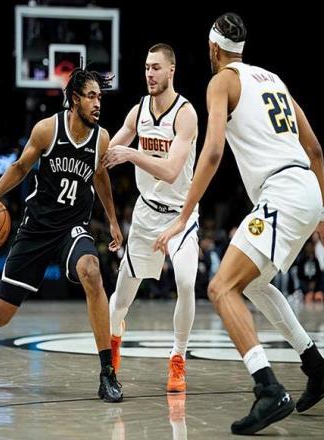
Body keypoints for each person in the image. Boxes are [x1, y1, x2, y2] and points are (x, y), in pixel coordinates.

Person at [154, 13, 324, 434]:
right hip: (306, 190)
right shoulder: (274, 80)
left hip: (282, 193)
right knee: (254, 284)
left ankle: (268, 388)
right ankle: (317, 367)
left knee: (220, 287)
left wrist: (184, 215)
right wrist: (323, 214)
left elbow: (213, 152)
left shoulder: (221, 82)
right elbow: (315, 149)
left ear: (213, 48)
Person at [0, 67, 124, 403]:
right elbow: (20, 167)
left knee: (92, 271)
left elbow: (100, 177)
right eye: (91, 96)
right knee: (1, 314)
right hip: (36, 229)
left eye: (100, 97)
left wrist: (113, 220)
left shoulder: (101, 138)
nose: (97, 103)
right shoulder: (48, 129)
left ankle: (107, 372)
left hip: (72, 227)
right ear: (74, 99)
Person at [103, 43, 199, 392]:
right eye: (146, 67)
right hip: (146, 214)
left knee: (186, 282)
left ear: (171, 70)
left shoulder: (185, 114)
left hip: (181, 215)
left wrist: (131, 155)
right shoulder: (138, 111)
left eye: (156, 67)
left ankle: (178, 358)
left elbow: (171, 171)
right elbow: (108, 152)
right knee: (120, 300)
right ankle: (114, 340)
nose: (150, 73)